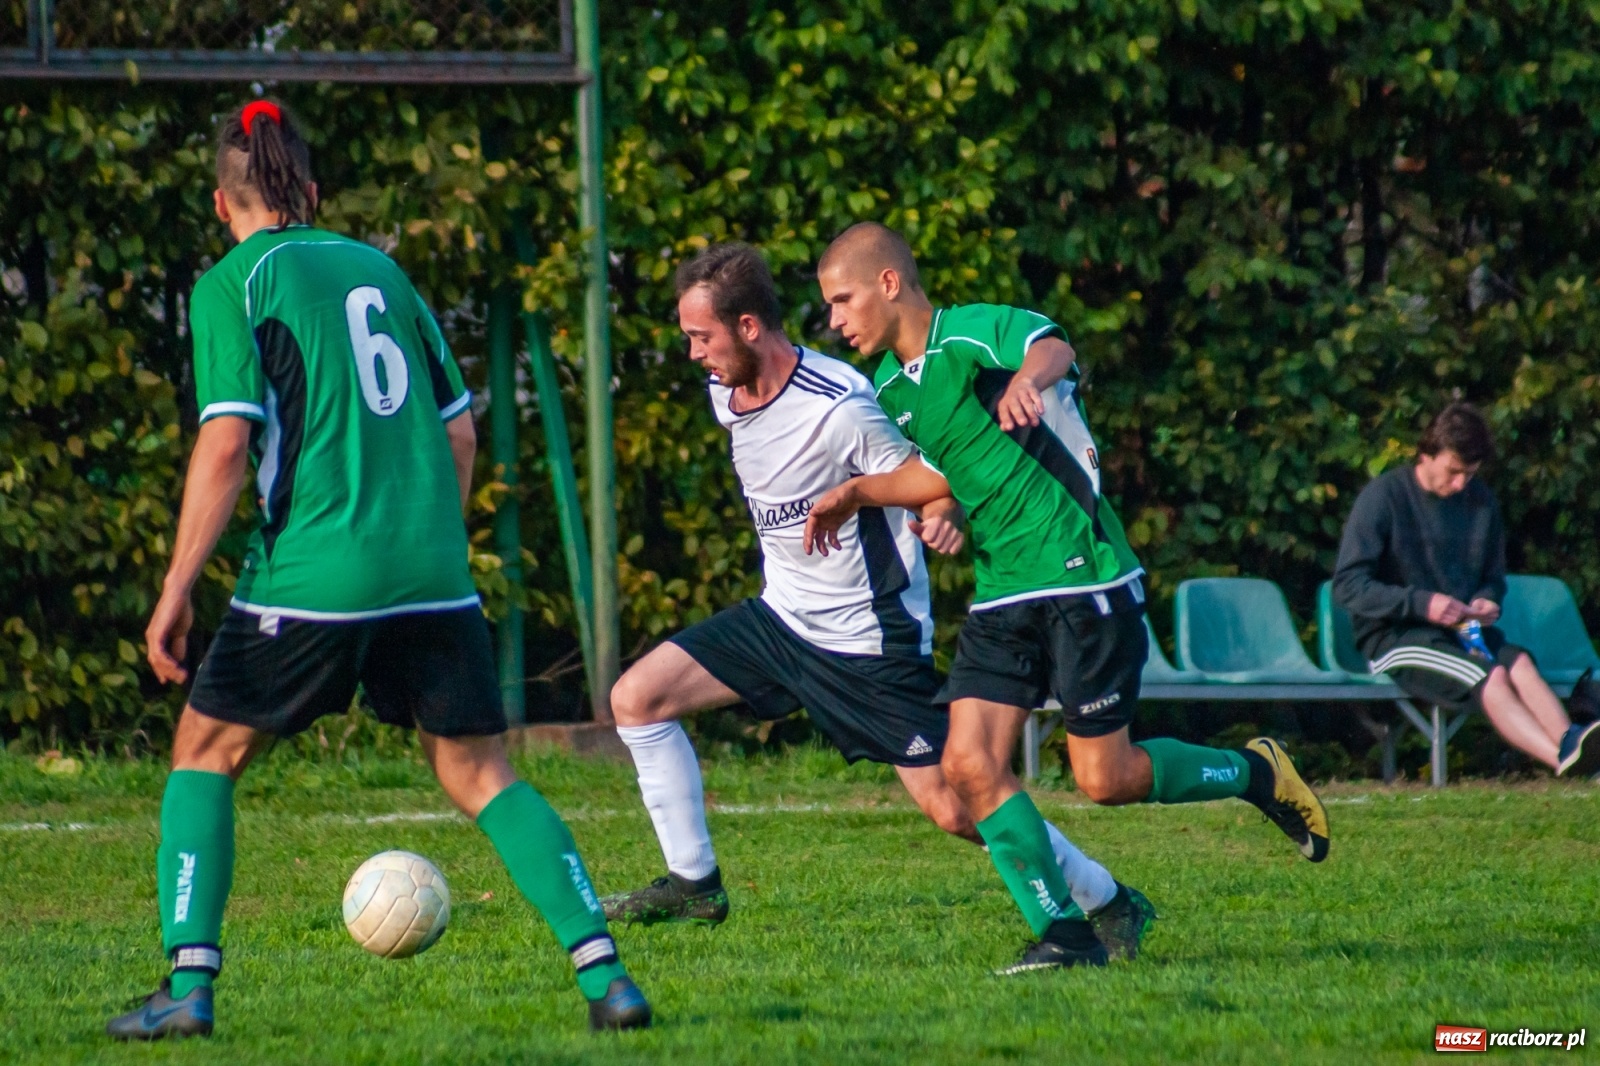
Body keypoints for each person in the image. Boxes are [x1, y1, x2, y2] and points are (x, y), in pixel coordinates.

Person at [108, 100, 650, 1040]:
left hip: (314, 572)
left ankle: (188, 989)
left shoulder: (233, 284)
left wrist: (175, 589)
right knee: (483, 772)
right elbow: (461, 431)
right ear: (311, 192)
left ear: (219, 203)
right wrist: (428, 536)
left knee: (205, 752)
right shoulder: (382, 271)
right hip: (433, 571)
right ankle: (608, 978)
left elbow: (228, 440)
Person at [602, 243, 1156, 966]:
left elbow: (939, 467)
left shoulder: (842, 405)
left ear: (746, 328)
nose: (692, 355)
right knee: (637, 699)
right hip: (780, 622)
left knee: (958, 807)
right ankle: (693, 885)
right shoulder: (725, 395)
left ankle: (1107, 900)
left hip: (866, 644)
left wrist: (947, 511)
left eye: (700, 338)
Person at [810, 222, 1330, 973]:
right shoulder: (895, 390)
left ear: (888, 285)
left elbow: (1055, 344)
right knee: (967, 765)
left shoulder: (970, 335)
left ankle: (1256, 773)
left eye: (842, 300)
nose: (835, 320)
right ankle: (1066, 935)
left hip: (1082, 576)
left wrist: (1029, 378)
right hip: (1001, 593)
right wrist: (863, 494)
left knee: (1104, 780)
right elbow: (949, 470)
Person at [1333, 402, 1600, 776]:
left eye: (1469, 474)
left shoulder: (1481, 502)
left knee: (1520, 663)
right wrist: (1422, 604)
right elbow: (1347, 587)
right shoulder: (1383, 498)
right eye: (1453, 472)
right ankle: (1562, 761)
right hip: (1395, 637)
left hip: (1463, 632)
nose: (1460, 484)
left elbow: (1493, 578)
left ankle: (1574, 746)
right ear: (1425, 455)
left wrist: (1487, 601)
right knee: (1486, 675)